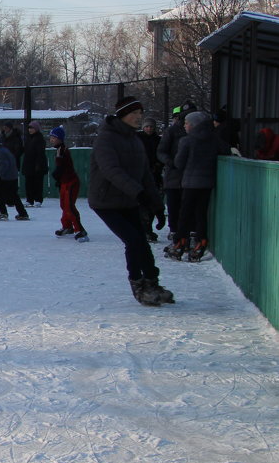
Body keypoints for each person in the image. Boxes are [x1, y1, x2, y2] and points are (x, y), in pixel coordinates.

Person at [88, 97, 173, 306]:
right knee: (133, 240)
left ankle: (152, 282)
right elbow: (111, 171)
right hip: (105, 201)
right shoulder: (106, 139)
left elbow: (145, 174)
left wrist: (157, 205)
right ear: (122, 115)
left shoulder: (135, 140)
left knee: (141, 241)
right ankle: (138, 284)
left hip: (128, 199)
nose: (138, 117)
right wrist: (139, 193)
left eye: (140, 113)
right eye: (133, 113)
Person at [165, 111, 229, 262]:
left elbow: (179, 163)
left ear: (193, 125)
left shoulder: (187, 141)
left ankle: (180, 243)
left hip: (190, 182)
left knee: (185, 214)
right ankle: (201, 242)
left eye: (187, 123)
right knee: (201, 214)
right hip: (207, 183)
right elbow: (225, 150)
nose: (185, 126)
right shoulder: (213, 139)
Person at [156, 104, 191, 244]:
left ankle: (185, 232)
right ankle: (174, 230)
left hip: (188, 177)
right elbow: (161, 151)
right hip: (174, 176)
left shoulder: (195, 132)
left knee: (187, 206)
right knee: (174, 204)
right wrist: (170, 162)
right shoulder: (171, 132)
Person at [49, 126, 87, 242]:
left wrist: (57, 174)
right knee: (63, 205)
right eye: (51, 137)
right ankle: (67, 226)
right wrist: (60, 181)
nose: (51, 140)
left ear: (60, 138)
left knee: (69, 206)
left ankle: (80, 230)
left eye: (54, 137)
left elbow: (63, 167)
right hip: (65, 182)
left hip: (71, 182)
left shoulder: (63, 150)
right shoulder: (59, 150)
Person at [0, 137, 29, 221]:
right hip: (12, 176)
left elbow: (4, 165)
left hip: (6, 178)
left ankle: (3, 213)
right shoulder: (4, 150)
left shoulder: (0, 153)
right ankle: (23, 213)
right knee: (14, 196)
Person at [21, 120, 48, 207]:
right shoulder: (29, 138)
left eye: (32, 128)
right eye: (29, 128)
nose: (30, 130)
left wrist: (38, 164)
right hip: (29, 164)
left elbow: (40, 153)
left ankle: (38, 199)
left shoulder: (39, 139)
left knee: (38, 183)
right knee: (29, 183)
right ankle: (29, 199)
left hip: (37, 164)